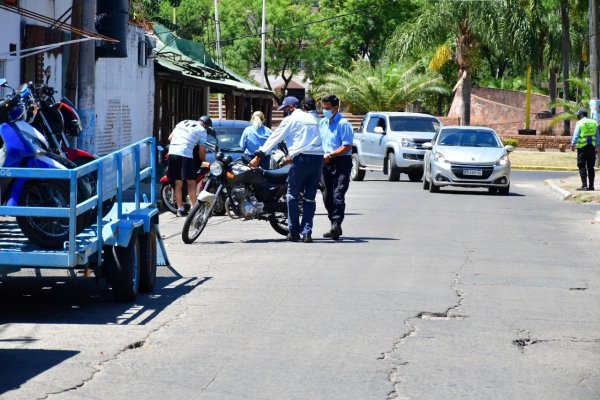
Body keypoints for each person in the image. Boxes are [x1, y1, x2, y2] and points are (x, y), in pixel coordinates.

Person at [249, 96, 323, 243]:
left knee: (292, 196)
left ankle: (294, 232)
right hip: (318, 159)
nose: (285, 112)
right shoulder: (314, 119)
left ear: (292, 107)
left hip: (301, 159)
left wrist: (261, 153)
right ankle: (307, 232)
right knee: (309, 198)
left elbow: (275, 137)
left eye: (286, 109)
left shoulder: (291, 119)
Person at [319, 94, 354, 240]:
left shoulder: (343, 124)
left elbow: (347, 146)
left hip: (341, 162)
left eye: (327, 108)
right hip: (325, 163)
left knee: (338, 194)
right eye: (323, 108)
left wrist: (331, 155)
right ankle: (334, 223)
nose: (325, 110)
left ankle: (336, 223)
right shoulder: (322, 123)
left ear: (335, 108)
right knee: (327, 196)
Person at [167, 115, 209, 216]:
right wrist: (203, 160)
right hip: (185, 153)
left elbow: (170, 138)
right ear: (206, 125)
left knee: (178, 182)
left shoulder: (183, 122)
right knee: (191, 181)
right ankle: (193, 207)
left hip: (172, 152)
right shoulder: (202, 130)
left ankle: (180, 208)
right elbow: (201, 150)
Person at [571, 108, 599, 191]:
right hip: (592, 147)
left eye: (579, 115)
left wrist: (573, 144)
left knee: (582, 165)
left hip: (582, 147)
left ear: (581, 115)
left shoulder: (580, 122)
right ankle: (591, 186)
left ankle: (584, 186)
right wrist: (597, 146)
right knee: (591, 167)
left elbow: (576, 135)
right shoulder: (594, 122)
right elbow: (597, 136)